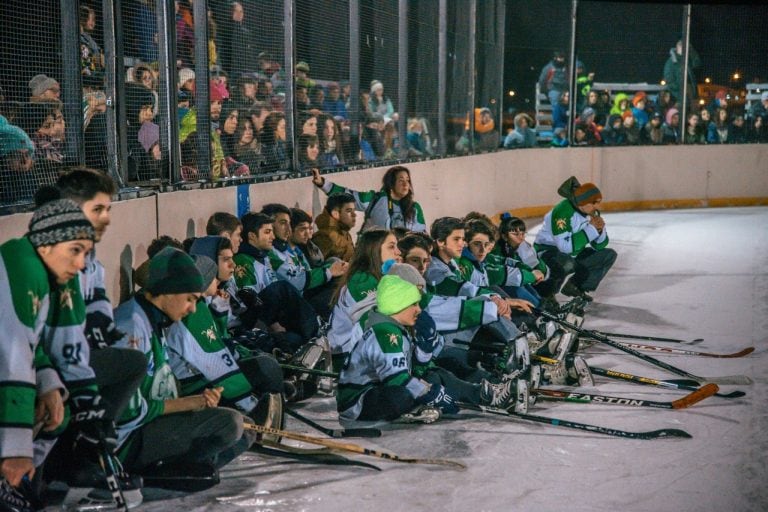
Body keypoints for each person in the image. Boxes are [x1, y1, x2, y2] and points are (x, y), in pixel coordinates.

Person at [0, 199, 126, 510]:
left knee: (56, 410)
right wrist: (15, 449)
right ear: (46, 247)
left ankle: (18, 487)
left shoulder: (42, 271)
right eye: (75, 250)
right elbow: (10, 354)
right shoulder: (20, 266)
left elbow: (34, 346)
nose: (82, 264)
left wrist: (57, 387)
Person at [113, 247, 246, 480]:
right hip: (127, 440)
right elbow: (126, 410)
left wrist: (195, 402)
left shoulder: (154, 320)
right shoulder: (131, 327)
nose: (193, 308)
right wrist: (186, 404)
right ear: (168, 291)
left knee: (245, 428)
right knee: (230, 424)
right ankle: (154, 472)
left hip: (151, 425)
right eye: (189, 299)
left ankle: (176, 468)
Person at [337, 275, 520, 423]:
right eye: (413, 304)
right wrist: (432, 393)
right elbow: (397, 379)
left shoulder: (397, 328)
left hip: (380, 387)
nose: (418, 310)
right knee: (402, 395)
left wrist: (425, 348)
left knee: (434, 374)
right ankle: (420, 406)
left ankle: (483, 394)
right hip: (359, 401)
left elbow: (416, 369)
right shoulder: (385, 332)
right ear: (398, 305)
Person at [232, 212, 320, 352]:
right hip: (254, 321)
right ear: (252, 236)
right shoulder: (244, 261)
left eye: (272, 232)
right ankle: (315, 332)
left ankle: (312, 335)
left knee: (296, 339)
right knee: (282, 287)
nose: (272, 237)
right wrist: (273, 325)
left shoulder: (264, 257)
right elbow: (251, 302)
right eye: (267, 232)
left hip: (272, 315)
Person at [534, 177, 617, 304]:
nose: (597, 206)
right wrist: (591, 229)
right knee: (567, 263)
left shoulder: (590, 212)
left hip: (572, 252)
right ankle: (546, 294)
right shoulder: (562, 211)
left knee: (607, 255)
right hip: (547, 251)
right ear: (583, 202)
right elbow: (564, 247)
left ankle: (574, 286)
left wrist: (599, 230)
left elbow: (599, 246)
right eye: (594, 203)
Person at [261, 203, 347, 319]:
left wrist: (335, 268)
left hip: (302, 297)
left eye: (289, 224)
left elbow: (307, 272)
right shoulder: (271, 253)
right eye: (283, 223)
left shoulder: (294, 250)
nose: (288, 229)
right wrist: (329, 271)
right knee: (339, 287)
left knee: (335, 263)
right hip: (292, 308)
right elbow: (298, 281)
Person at [311, 165, 426, 232]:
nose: (406, 184)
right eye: (401, 180)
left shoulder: (415, 208)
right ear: (391, 183)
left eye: (407, 180)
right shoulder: (374, 199)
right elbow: (347, 195)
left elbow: (422, 235)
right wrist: (323, 184)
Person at [312, 192, 357, 263]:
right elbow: (316, 269)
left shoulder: (345, 233)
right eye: (349, 211)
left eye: (354, 210)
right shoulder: (324, 237)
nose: (354, 214)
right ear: (335, 214)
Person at [662, 39, 701, 108]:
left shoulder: (687, 60)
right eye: (684, 48)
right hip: (679, 95)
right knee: (680, 114)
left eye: (687, 48)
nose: (685, 50)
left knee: (692, 114)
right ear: (678, 48)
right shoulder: (671, 62)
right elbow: (669, 79)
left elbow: (697, 64)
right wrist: (679, 89)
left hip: (690, 91)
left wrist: (692, 51)